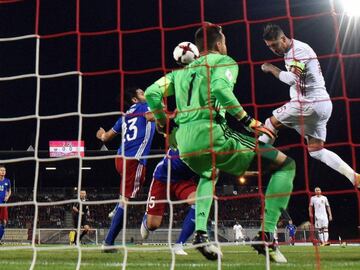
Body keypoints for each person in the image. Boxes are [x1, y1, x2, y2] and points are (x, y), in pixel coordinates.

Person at [145, 22, 295, 263]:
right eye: (224, 41)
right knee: (285, 164)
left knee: (209, 173)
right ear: (218, 44)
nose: (226, 45)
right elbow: (221, 90)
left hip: (184, 144)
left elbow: (152, 92)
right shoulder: (224, 62)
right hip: (211, 133)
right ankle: (267, 234)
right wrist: (250, 122)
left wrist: (163, 122)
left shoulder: (179, 73)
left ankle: (201, 233)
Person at [258, 23, 359, 188]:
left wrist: (271, 68)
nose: (274, 50)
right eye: (270, 47)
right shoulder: (290, 52)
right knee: (316, 151)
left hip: (308, 104)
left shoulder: (299, 51)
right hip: (321, 106)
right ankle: (353, 176)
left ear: (283, 38)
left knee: (271, 123)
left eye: (275, 45)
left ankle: (255, 158)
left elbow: (292, 79)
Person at [96, 88, 155, 250]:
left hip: (120, 159)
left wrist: (100, 135)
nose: (146, 95)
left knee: (139, 182)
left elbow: (106, 137)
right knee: (126, 201)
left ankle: (117, 208)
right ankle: (108, 243)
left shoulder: (124, 116)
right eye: (142, 93)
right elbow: (153, 117)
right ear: (135, 100)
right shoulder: (146, 107)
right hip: (133, 159)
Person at [140, 148, 197, 255]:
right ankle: (146, 220)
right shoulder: (185, 135)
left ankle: (179, 245)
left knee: (200, 202)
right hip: (163, 177)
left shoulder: (211, 147)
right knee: (153, 225)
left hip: (183, 180)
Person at [0, 165, 11, 244]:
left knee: (4, 222)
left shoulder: (7, 181)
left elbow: (9, 191)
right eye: (1, 170)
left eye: (4, 170)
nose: (3, 171)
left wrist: (7, 196)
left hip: (3, 204)